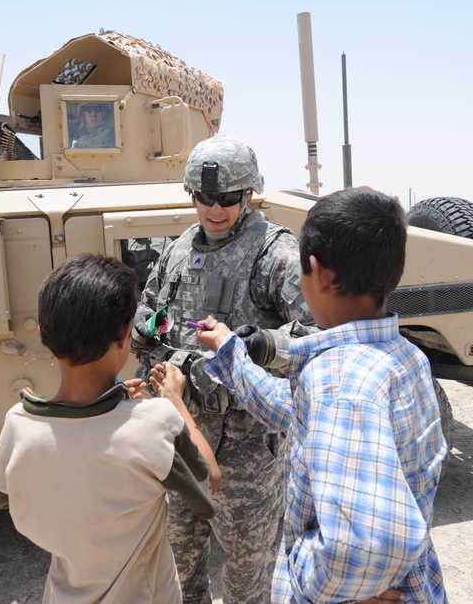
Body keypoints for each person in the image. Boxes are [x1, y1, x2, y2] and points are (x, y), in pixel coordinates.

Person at [196, 187, 448, 603]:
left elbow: (361, 550)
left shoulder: (339, 382)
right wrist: (231, 354)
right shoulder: (403, 356)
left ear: (319, 273)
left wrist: (302, 578)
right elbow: (295, 413)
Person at [130, 135, 313, 604]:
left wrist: (263, 343)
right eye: (204, 197)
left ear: (248, 194)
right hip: (181, 434)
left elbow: (318, 334)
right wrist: (149, 330)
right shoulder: (176, 252)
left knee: (247, 576)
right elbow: (147, 315)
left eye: (229, 198)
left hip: (246, 445)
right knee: (178, 564)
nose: (216, 209)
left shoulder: (275, 253)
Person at [0, 253, 219, 604]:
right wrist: (174, 401)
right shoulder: (152, 424)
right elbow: (208, 484)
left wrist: (116, 404)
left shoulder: (19, 422)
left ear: (46, 338)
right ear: (126, 332)